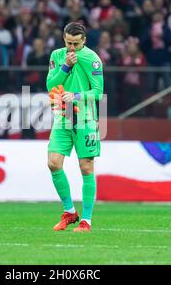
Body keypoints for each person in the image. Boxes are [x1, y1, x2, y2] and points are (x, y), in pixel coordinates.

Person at [46, 22, 104, 232]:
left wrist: (77, 95)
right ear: (64, 39)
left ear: (84, 41)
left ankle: (86, 220)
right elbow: (50, 85)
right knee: (53, 163)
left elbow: (98, 92)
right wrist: (65, 66)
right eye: (69, 43)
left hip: (85, 118)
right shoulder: (57, 56)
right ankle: (70, 212)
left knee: (86, 167)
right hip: (62, 116)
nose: (72, 48)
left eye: (76, 44)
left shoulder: (92, 59)